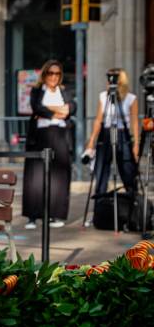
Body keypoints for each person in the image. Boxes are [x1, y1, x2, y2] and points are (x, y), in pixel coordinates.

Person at [22, 60, 75, 229]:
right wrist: (59, 110)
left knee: (59, 178)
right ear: (44, 74)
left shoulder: (64, 91)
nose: (54, 77)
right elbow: (37, 108)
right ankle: (32, 216)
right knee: (35, 177)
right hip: (39, 136)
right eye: (50, 73)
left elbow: (72, 107)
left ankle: (56, 215)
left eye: (57, 74)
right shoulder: (37, 90)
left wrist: (51, 111)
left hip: (60, 136)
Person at [85, 68, 139, 198]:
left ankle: (132, 204)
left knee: (127, 169)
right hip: (106, 133)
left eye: (114, 78)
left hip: (123, 134)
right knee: (101, 170)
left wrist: (136, 144)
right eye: (109, 78)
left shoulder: (131, 98)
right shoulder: (104, 96)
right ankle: (99, 208)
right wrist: (91, 141)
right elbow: (99, 120)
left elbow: (134, 122)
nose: (110, 81)